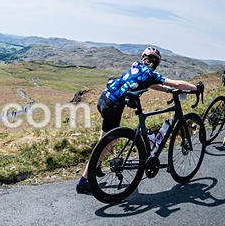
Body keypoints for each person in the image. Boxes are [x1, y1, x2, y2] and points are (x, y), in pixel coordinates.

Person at [77, 47, 201, 194]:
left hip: (104, 99)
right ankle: (83, 182)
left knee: (103, 141)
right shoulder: (150, 73)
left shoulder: (136, 65)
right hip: (114, 107)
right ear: (156, 63)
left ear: (144, 58)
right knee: (108, 143)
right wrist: (195, 88)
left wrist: (167, 90)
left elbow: (150, 84)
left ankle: (96, 166)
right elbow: (176, 84)